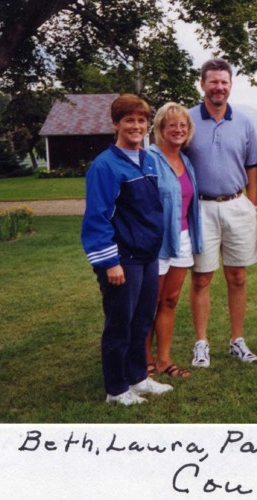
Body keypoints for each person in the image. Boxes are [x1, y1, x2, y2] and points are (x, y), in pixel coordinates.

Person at [81, 94, 173, 405]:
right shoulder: (105, 166)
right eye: (129, 120)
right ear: (116, 124)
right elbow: (97, 218)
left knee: (142, 320)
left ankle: (138, 377)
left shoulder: (148, 160)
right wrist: (110, 262)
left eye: (141, 120)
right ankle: (117, 389)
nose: (136, 126)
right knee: (120, 324)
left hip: (147, 256)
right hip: (122, 260)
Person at [184, 58, 257, 368]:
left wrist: (250, 203)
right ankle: (201, 343)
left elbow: (252, 167)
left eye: (224, 82)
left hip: (237, 206)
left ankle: (236, 340)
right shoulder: (187, 119)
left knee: (238, 277)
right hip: (200, 208)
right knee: (201, 278)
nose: (219, 87)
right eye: (213, 81)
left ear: (230, 85)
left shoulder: (244, 122)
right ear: (202, 84)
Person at [145, 102, 202, 379]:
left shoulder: (185, 161)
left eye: (183, 125)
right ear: (160, 128)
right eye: (172, 125)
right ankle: (145, 360)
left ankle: (164, 360)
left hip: (183, 239)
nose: (178, 130)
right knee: (149, 302)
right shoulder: (149, 159)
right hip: (157, 242)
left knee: (169, 301)